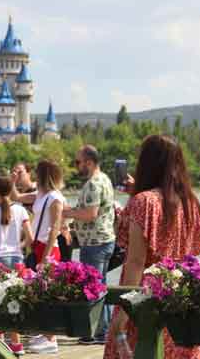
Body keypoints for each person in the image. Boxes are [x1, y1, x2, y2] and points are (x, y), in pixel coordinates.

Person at [104, 135, 200, 359]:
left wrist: (122, 316)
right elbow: (195, 252)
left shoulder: (145, 202)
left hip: (145, 303)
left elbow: (135, 262)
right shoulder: (192, 202)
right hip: (180, 300)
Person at [12, 159, 66, 355]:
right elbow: (16, 196)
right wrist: (13, 180)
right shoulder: (42, 195)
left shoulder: (55, 198)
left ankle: (51, 338)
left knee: (48, 293)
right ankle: (45, 333)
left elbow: (54, 230)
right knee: (40, 291)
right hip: (39, 247)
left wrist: (45, 257)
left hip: (48, 249)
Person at [62, 145, 115, 345]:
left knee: (93, 288)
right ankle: (105, 330)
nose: (77, 166)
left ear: (89, 162)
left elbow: (90, 214)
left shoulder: (93, 183)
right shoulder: (105, 179)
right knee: (100, 286)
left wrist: (67, 213)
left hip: (94, 243)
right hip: (104, 240)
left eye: (78, 162)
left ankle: (99, 332)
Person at [0, 175, 33, 355]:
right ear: (11, 189)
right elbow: (30, 238)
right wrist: (19, 246)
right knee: (15, 300)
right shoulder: (21, 211)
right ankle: (17, 344)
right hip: (17, 259)